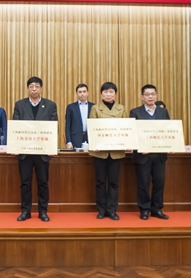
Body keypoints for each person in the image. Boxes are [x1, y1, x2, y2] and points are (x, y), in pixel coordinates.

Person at [12, 77, 59, 222]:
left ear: (41, 88)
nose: (34, 89)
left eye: (37, 86)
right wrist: (15, 146)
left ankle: (43, 211)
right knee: (25, 183)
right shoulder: (20, 105)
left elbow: (53, 127)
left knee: (43, 183)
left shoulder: (50, 105)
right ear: (27, 88)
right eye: (31, 86)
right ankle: (25, 211)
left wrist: (52, 147)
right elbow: (16, 126)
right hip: (25, 151)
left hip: (43, 151)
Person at [129, 84, 171, 220]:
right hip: (143, 155)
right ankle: (144, 209)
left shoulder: (163, 112)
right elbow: (132, 134)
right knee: (143, 183)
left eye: (153, 94)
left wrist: (170, 145)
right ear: (142, 97)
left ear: (156, 96)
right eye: (147, 94)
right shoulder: (135, 112)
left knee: (159, 183)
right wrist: (141, 146)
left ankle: (156, 209)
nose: (150, 97)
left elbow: (168, 131)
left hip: (159, 155)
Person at [88, 82, 125, 221]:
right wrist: (95, 143)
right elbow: (92, 128)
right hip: (100, 151)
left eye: (111, 92)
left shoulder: (121, 108)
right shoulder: (95, 108)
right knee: (100, 182)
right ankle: (101, 210)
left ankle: (112, 210)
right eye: (105, 92)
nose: (108, 95)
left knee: (114, 182)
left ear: (115, 94)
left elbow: (125, 128)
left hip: (116, 151)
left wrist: (126, 143)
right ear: (101, 94)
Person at [65, 83, 94, 149]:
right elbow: (67, 126)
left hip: (90, 137)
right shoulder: (71, 107)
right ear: (76, 94)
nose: (82, 94)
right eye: (80, 92)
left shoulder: (93, 106)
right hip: (75, 138)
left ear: (87, 93)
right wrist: (68, 142)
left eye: (84, 91)